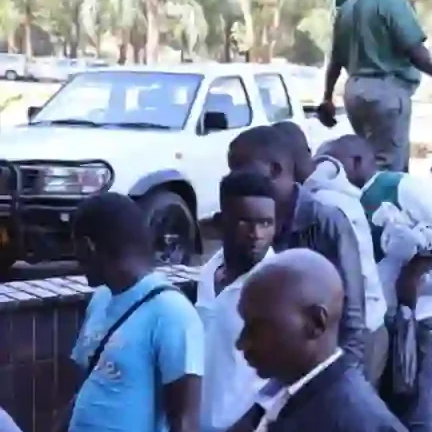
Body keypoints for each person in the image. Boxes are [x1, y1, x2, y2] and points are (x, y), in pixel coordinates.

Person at [324, 134, 432, 432]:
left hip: (427, 313)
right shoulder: (338, 201)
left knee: (421, 416)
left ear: (357, 161)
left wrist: (415, 272)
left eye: (333, 165)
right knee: (393, 410)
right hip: (387, 321)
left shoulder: (397, 185)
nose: (327, 173)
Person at [227, 126, 367, 367]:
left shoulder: (327, 222)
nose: (235, 178)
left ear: (275, 170)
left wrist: (341, 379)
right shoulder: (249, 218)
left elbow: (352, 321)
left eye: (241, 168)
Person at [67, 192, 203, 432]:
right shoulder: (101, 299)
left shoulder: (172, 313)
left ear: (88, 247)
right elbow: (82, 390)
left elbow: (184, 421)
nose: (76, 261)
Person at [237, 248, 407, 431]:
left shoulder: (357, 421)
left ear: (316, 323)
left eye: (259, 327)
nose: (241, 343)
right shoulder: (281, 392)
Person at [271, 121, 388, 386]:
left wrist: (348, 364)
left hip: (357, 338)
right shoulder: (320, 194)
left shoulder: (325, 208)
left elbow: (352, 297)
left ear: (280, 166)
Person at [321, 0, 432, 172]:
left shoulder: (347, 8)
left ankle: (365, 202)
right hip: (386, 93)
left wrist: (327, 97)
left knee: (366, 161)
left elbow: (336, 60)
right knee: (388, 167)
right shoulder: (393, 2)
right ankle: (382, 206)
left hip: (354, 92)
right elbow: (417, 53)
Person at [198, 171, 277, 432]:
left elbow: (285, 377)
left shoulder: (279, 286)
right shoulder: (209, 271)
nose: (257, 234)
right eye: (246, 222)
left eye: (266, 223)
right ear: (221, 222)